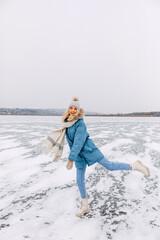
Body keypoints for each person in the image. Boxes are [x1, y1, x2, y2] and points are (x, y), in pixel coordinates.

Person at [44, 97, 150, 217]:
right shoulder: (67, 123)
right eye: (71, 108)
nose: (73, 110)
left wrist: (70, 158)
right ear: (68, 109)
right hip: (79, 155)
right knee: (79, 180)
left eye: (75, 108)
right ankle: (85, 207)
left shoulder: (80, 124)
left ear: (78, 111)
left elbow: (78, 143)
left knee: (110, 166)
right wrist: (74, 156)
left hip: (89, 150)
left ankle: (133, 166)